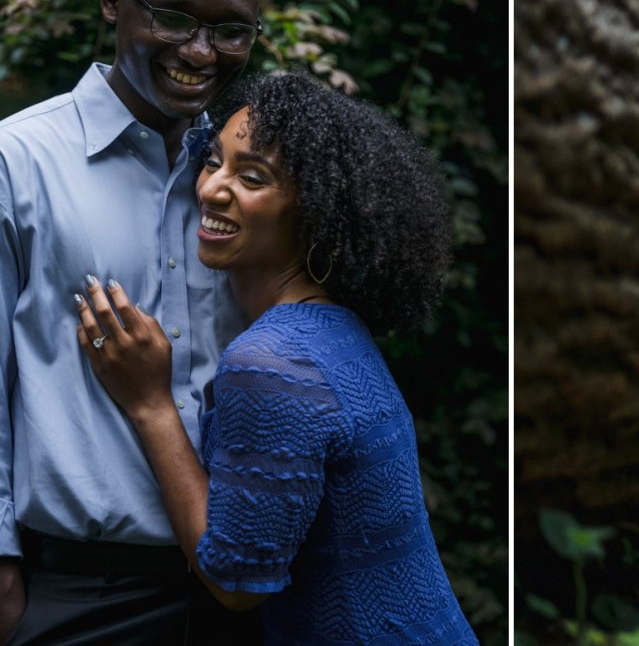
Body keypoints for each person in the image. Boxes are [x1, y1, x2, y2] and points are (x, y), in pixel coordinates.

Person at [73, 72, 476, 643]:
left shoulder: (274, 362)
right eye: (213, 162)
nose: (212, 188)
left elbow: (236, 583)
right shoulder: (334, 327)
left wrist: (151, 405)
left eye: (253, 177)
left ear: (314, 210)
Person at [0, 0, 261, 643]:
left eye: (231, 30)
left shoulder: (255, 176)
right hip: (77, 592)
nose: (202, 52)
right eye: (175, 19)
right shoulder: (18, 162)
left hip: (240, 589)